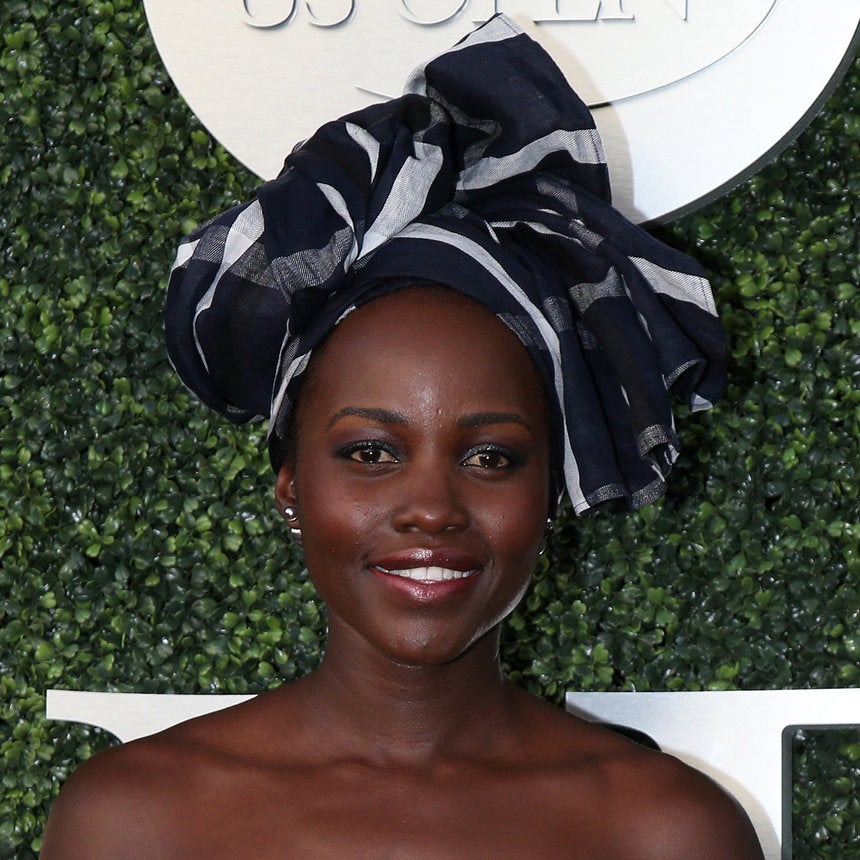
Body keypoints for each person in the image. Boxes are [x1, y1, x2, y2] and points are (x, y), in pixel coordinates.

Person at [43, 15, 763, 858]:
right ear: (291, 487)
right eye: (371, 454)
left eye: (490, 457)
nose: (431, 508)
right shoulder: (135, 821)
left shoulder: (664, 832)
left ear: (551, 490)